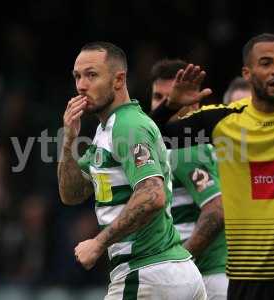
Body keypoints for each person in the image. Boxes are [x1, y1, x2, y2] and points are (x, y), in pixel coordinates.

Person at [150, 33, 274, 300]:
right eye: (266, 63)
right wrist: (170, 106)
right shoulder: (224, 120)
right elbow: (154, 138)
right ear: (247, 72)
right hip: (246, 277)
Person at [58, 42, 206, 299]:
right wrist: (69, 140)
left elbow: (152, 195)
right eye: (78, 76)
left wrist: (98, 242)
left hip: (148, 273)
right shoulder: (107, 130)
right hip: (169, 274)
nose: (81, 85)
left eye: (92, 75)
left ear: (118, 80)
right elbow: (71, 194)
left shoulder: (128, 126)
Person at [150, 59, 228, 300]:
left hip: (206, 278)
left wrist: (179, 263)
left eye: (173, 96)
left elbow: (216, 210)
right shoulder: (165, 150)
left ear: (193, 103)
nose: (167, 104)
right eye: (158, 97)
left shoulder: (185, 150)